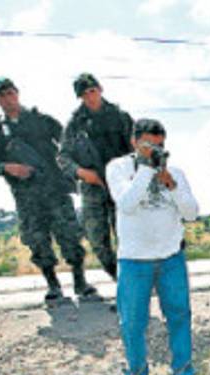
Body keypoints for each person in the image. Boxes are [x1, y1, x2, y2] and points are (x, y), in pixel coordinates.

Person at [106, 118, 201, 375]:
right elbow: (126, 203)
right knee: (133, 322)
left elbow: (192, 213)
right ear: (135, 142)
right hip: (134, 261)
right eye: (148, 144)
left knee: (179, 318)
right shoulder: (119, 168)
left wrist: (172, 186)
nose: (154, 150)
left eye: (159, 146)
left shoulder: (176, 173)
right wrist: (147, 170)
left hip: (171, 258)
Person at [0, 77, 93, 305]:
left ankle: (80, 282)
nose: (8, 98)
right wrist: (8, 167)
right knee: (37, 239)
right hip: (26, 194)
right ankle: (53, 285)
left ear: (17, 92)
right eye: (2, 95)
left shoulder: (40, 120)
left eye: (10, 93)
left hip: (55, 188)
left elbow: (68, 142)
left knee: (69, 234)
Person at [58, 72, 133, 284]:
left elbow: (137, 147)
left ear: (100, 89)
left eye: (92, 90)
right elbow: (63, 157)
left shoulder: (120, 117)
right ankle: (119, 280)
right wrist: (81, 173)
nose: (90, 97)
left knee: (127, 238)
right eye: (84, 94)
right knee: (96, 239)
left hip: (121, 185)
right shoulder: (75, 124)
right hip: (92, 188)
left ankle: (130, 287)